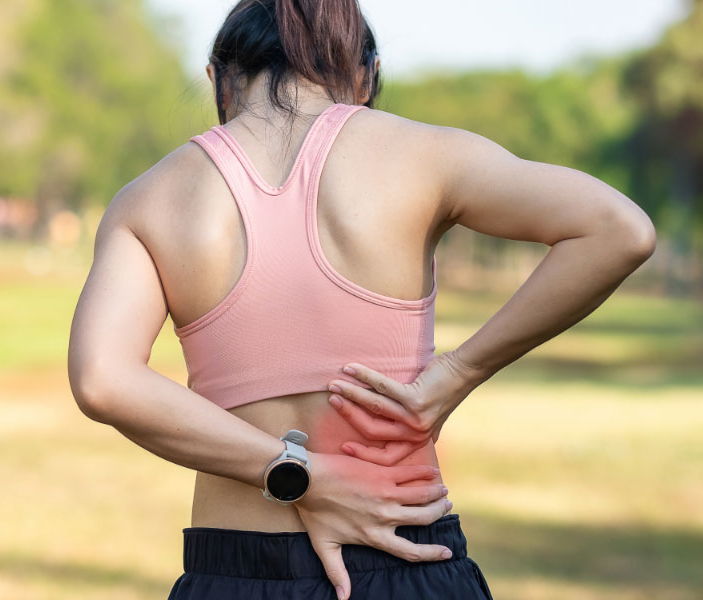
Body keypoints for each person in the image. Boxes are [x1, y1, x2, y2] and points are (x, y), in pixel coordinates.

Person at [67, 0, 656, 598]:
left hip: (233, 570)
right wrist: (457, 373)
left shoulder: (148, 199)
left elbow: (104, 379)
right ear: (366, 75)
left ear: (218, 76)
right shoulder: (424, 155)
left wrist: (295, 477)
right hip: (404, 554)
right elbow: (619, 229)